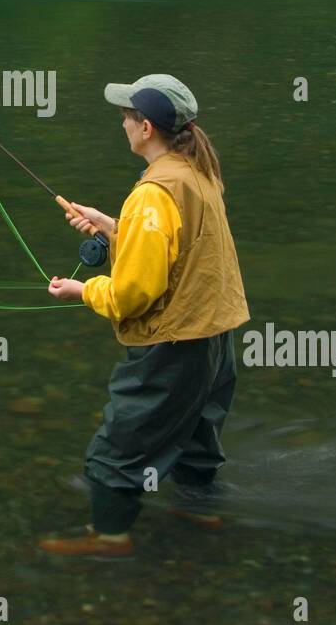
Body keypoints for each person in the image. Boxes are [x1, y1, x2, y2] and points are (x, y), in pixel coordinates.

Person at [41, 74, 249, 558]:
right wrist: (115, 228)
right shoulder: (197, 172)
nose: (123, 123)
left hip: (174, 347)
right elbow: (179, 252)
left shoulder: (153, 193)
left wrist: (82, 289)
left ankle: (109, 539)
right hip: (215, 340)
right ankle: (204, 516)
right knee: (197, 439)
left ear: (147, 127)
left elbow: (135, 293)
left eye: (126, 115)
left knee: (118, 449)